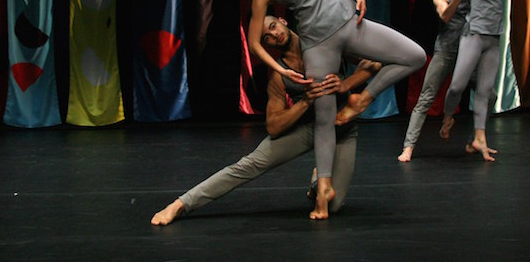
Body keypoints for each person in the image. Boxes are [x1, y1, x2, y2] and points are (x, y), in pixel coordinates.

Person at [221, 0, 454, 219]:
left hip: (350, 22)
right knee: (324, 118)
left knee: (415, 55)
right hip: (317, 45)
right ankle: (324, 190)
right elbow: (255, 43)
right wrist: (281, 69)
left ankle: (363, 100)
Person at [151, 15, 381, 226]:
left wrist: (346, 84)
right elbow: (273, 126)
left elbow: (374, 61)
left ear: (283, 21)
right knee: (249, 165)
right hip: (309, 128)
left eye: (273, 27)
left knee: (334, 205)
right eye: (267, 38)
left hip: (342, 130)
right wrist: (305, 102)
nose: (274, 35)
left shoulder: (325, 44)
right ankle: (181, 204)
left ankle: (317, 181)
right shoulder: (279, 77)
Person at [440, 0, 528, 162]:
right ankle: (448, 115)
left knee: (484, 92)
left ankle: (479, 138)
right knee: (457, 86)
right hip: (474, 36)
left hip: (493, 39)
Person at [383, 0, 474, 162]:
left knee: (490, 96)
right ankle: (408, 147)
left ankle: (472, 138)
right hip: (446, 52)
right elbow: (445, 14)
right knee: (425, 98)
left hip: (469, 52)